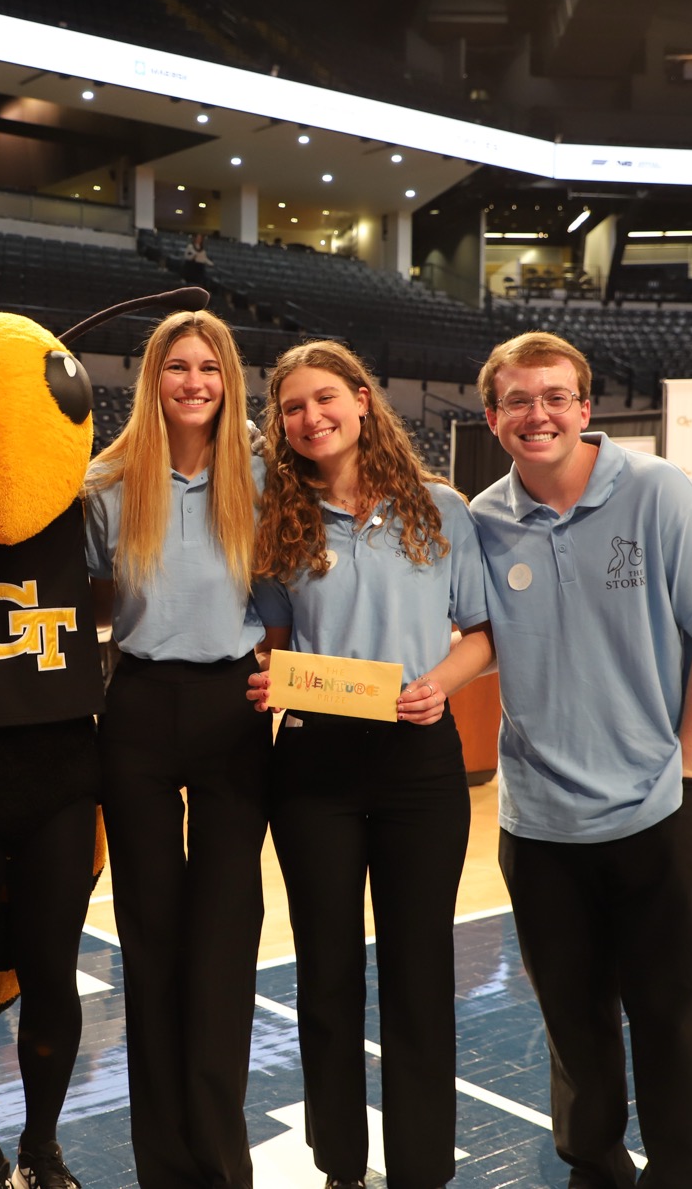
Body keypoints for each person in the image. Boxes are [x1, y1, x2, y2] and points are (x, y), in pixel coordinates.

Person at [470, 331, 692, 1189]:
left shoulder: (659, 493)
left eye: (555, 395)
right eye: (518, 399)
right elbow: (476, 640)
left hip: (659, 811)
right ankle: (593, 1172)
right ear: (492, 417)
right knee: (573, 1026)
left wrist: (691, 765)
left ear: (585, 407)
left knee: (673, 1020)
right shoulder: (482, 520)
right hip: (541, 825)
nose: (538, 413)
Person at [246, 340, 492, 1189]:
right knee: (326, 970)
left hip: (420, 761)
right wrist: (265, 683)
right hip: (313, 765)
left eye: (325, 399)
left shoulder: (440, 508)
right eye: (291, 408)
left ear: (361, 398)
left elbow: (484, 635)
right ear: (280, 425)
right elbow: (273, 643)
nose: (310, 417)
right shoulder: (279, 515)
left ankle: (422, 1168)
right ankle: (341, 1165)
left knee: (419, 968)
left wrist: (438, 685)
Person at [85, 310, 270, 1189]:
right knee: (151, 936)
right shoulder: (108, 483)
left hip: (236, 706)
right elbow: (77, 606)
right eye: (177, 367)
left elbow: (293, 595)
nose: (194, 382)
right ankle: (163, 1162)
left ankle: (218, 1156)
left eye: (209, 368)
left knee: (227, 936)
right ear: (152, 378)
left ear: (228, 380)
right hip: (142, 709)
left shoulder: (266, 476)